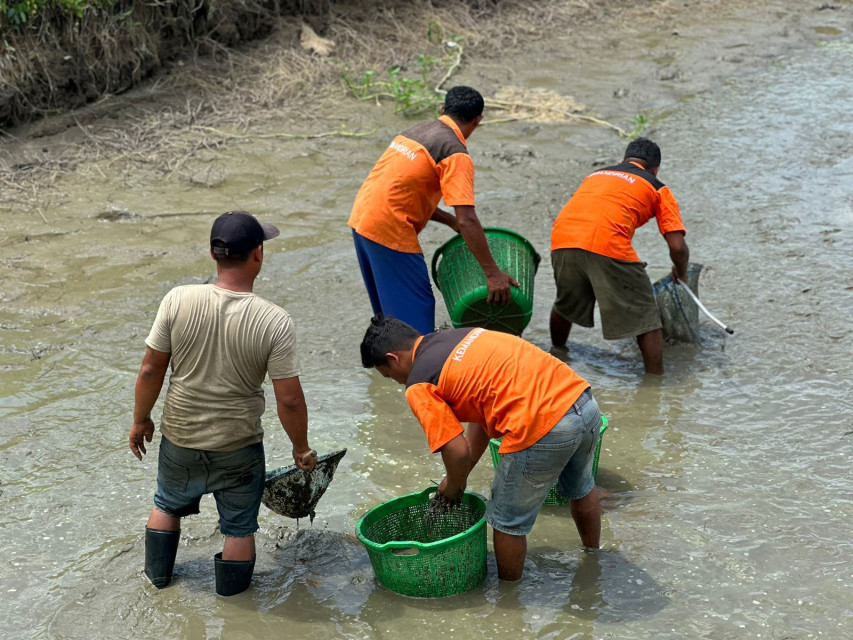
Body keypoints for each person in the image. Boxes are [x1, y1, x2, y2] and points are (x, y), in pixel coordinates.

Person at [128, 211, 317, 597]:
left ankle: (157, 582)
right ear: (258, 255)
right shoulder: (274, 321)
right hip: (238, 447)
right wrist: (301, 447)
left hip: (180, 437)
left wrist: (140, 420)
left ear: (213, 254)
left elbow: (150, 370)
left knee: (166, 503)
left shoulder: (177, 300)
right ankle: (234, 610)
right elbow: (290, 400)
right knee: (239, 527)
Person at [360, 315, 602, 581]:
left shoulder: (419, 383)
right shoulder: (461, 335)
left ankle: (508, 603)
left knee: (506, 523)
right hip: (583, 402)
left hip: (542, 426)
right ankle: (595, 559)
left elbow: (457, 450)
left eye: (389, 375)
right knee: (582, 489)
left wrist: (454, 486)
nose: (395, 382)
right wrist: (457, 476)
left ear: (393, 358)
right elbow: (482, 416)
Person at [348, 85, 518, 334]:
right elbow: (468, 220)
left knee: (388, 317)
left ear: (442, 109)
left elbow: (403, 190)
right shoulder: (455, 153)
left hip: (362, 220)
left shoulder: (414, 132)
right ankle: (419, 370)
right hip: (389, 230)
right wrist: (493, 274)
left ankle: (391, 366)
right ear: (477, 120)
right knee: (416, 322)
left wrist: (449, 220)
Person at [549, 138, 689, 374]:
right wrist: (681, 272)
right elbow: (677, 246)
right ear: (655, 167)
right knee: (647, 319)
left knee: (566, 304)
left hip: (562, 239)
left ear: (626, 159)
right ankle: (654, 386)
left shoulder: (596, 175)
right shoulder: (657, 186)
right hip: (607, 244)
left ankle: (557, 356)